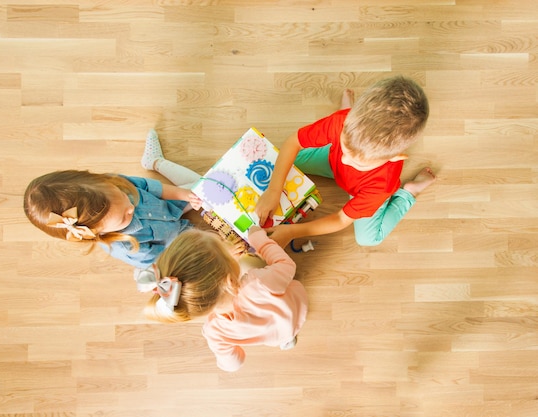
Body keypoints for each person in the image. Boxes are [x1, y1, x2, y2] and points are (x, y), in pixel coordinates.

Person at [254, 75, 437, 247]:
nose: (344, 160)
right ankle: (345, 111)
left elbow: (341, 219)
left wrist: (292, 232)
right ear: (350, 118)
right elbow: (294, 142)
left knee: (368, 239)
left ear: (395, 157)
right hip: (333, 159)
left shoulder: (382, 186)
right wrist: (273, 190)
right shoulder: (341, 123)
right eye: (345, 147)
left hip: (362, 191)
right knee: (281, 159)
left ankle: (408, 193)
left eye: (357, 163)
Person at [23, 130, 203, 269]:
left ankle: (155, 161)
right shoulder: (126, 247)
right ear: (98, 233)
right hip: (175, 239)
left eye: (126, 196)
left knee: (203, 187)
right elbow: (165, 258)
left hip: (169, 206)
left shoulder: (112, 183)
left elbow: (151, 187)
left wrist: (183, 195)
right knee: (211, 248)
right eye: (125, 217)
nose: (131, 208)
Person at [140, 226, 308, 372]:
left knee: (283, 336)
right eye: (224, 247)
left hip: (273, 336)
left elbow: (233, 363)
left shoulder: (214, 332)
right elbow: (286, 265)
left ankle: (287, 341)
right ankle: (288, 336)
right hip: (294, 309)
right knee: (274, 283)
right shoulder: (258, 282)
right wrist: (259, 239)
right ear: (230, 281)